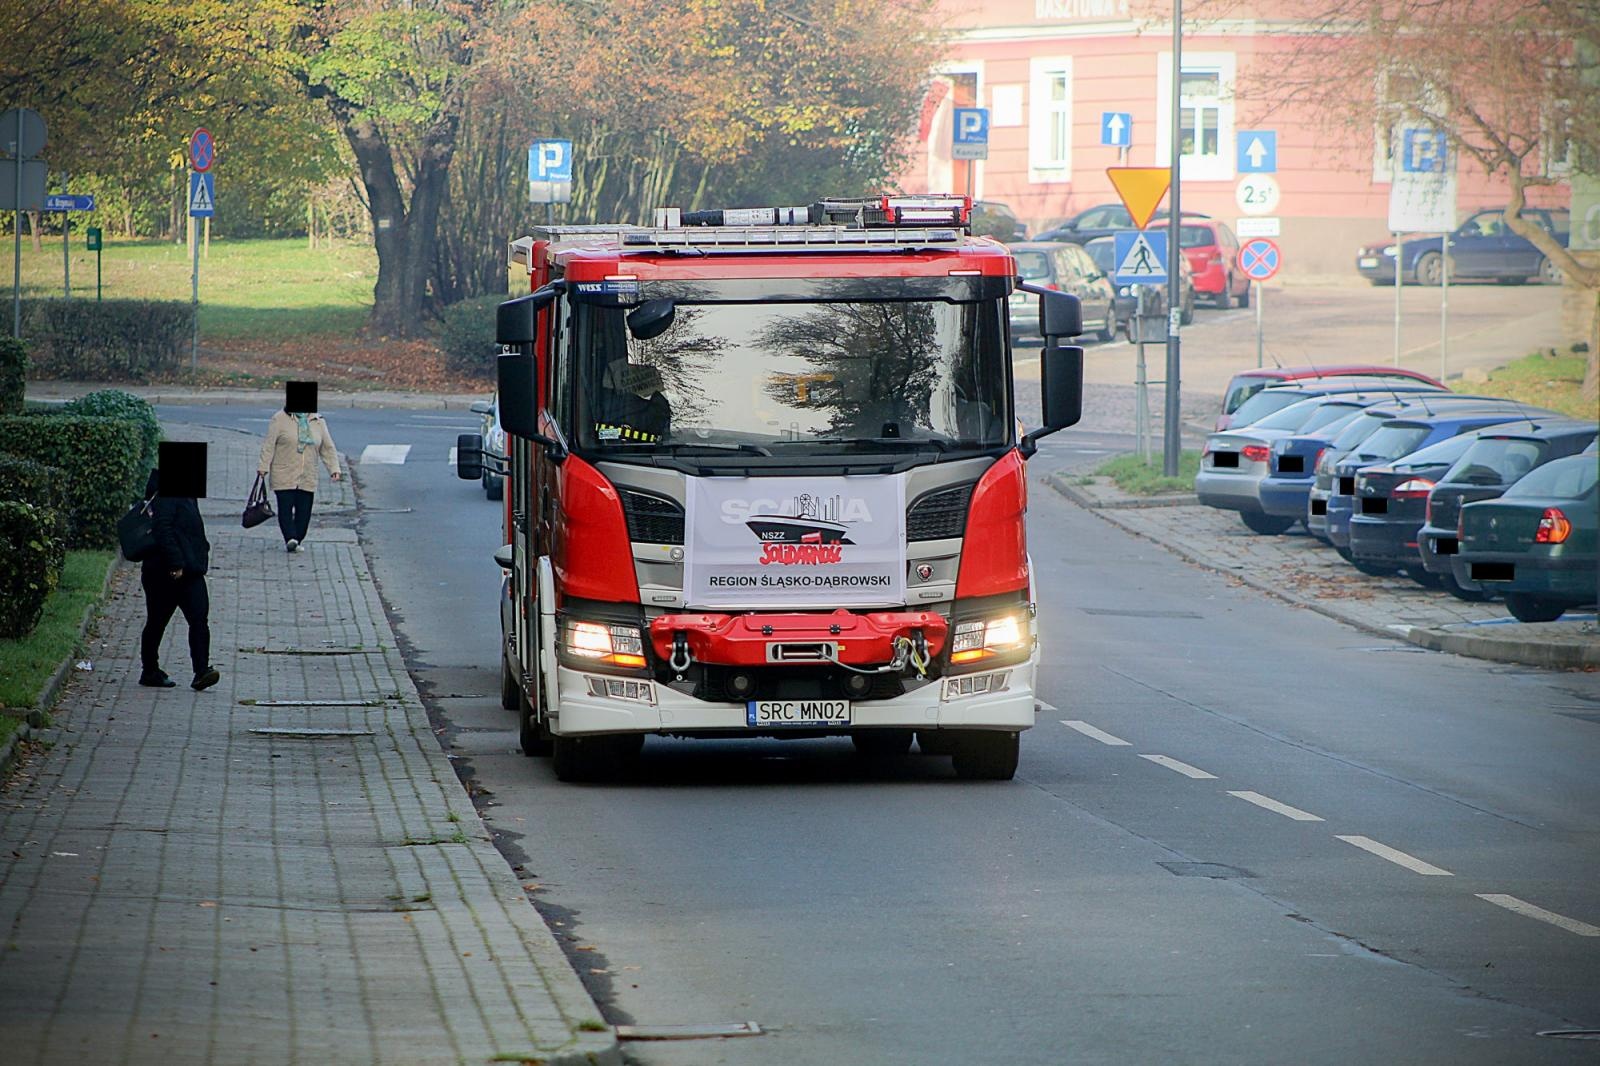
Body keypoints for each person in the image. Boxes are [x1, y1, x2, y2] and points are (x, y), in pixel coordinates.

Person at [139, 468, 219, 691]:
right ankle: (149, 670)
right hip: (165, 573)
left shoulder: (185, 495)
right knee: (157, 621)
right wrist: (176, 563)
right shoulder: (167, 495)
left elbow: (189, 530)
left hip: (190, 571)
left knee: (198, 618)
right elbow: (162, 529)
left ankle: (202, 671)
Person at [259, 404, 341, 552]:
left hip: (307, 475)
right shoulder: (279, 419)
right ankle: (290, 538)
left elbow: (327, 448)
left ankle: (297, 538)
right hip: (283, 473)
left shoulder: (318, 420)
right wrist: (263, 467)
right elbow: (268, 445)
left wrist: (334, 469)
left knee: (304, 513)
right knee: (285, 508)